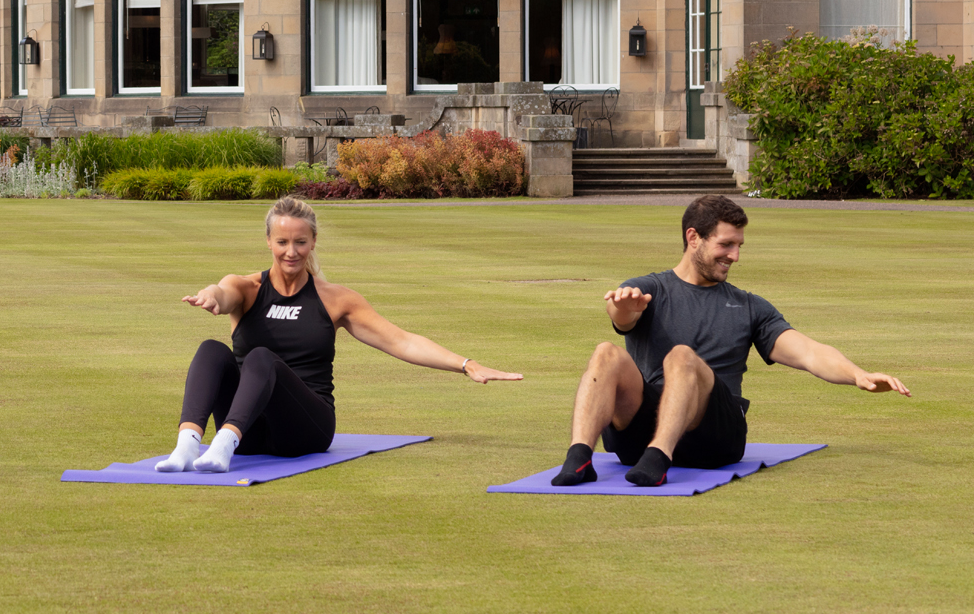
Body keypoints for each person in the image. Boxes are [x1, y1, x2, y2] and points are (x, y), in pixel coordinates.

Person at [552, 194, 910, 488]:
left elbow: (808, 352)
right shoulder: (650, 289)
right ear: (694, 238)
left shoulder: (749, 306)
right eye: (726, 244)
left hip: (714, 438)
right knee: (605, 353)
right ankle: (579, 457)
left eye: (739, 246)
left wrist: (857, 374)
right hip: (641, 436)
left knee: (682, 357)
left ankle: (660, 458)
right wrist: (623, 310)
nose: (735, 256)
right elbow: (623, 319)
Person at [154, 196, 522, 474]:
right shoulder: (246, 287)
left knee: (261, 358)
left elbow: (400, 340)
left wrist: (465, 364)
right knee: (211, 350)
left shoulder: (335, 300)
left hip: (305, 430)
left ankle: (222, 444)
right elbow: (223, 291)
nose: (291, 251)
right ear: (268, 241)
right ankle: (188, 445)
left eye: (300, 242)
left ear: (312, 242)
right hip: (252, 432)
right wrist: (211, 297)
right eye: (282, 242)